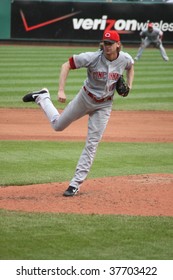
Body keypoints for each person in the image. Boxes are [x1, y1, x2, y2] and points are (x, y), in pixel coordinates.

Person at [22, 30, 134, 197]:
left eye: (110, 43)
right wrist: (61, 90)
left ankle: (75, 184)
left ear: (118, 45)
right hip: (85, 99)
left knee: (92, 143)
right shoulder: (92, 57)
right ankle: (43, 97)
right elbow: (66, 65)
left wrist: (129, 86)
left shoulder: (125, 58)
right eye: (105, 43)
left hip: (104, 106)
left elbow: (131, 67)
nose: (107, 46)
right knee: (58, 126)